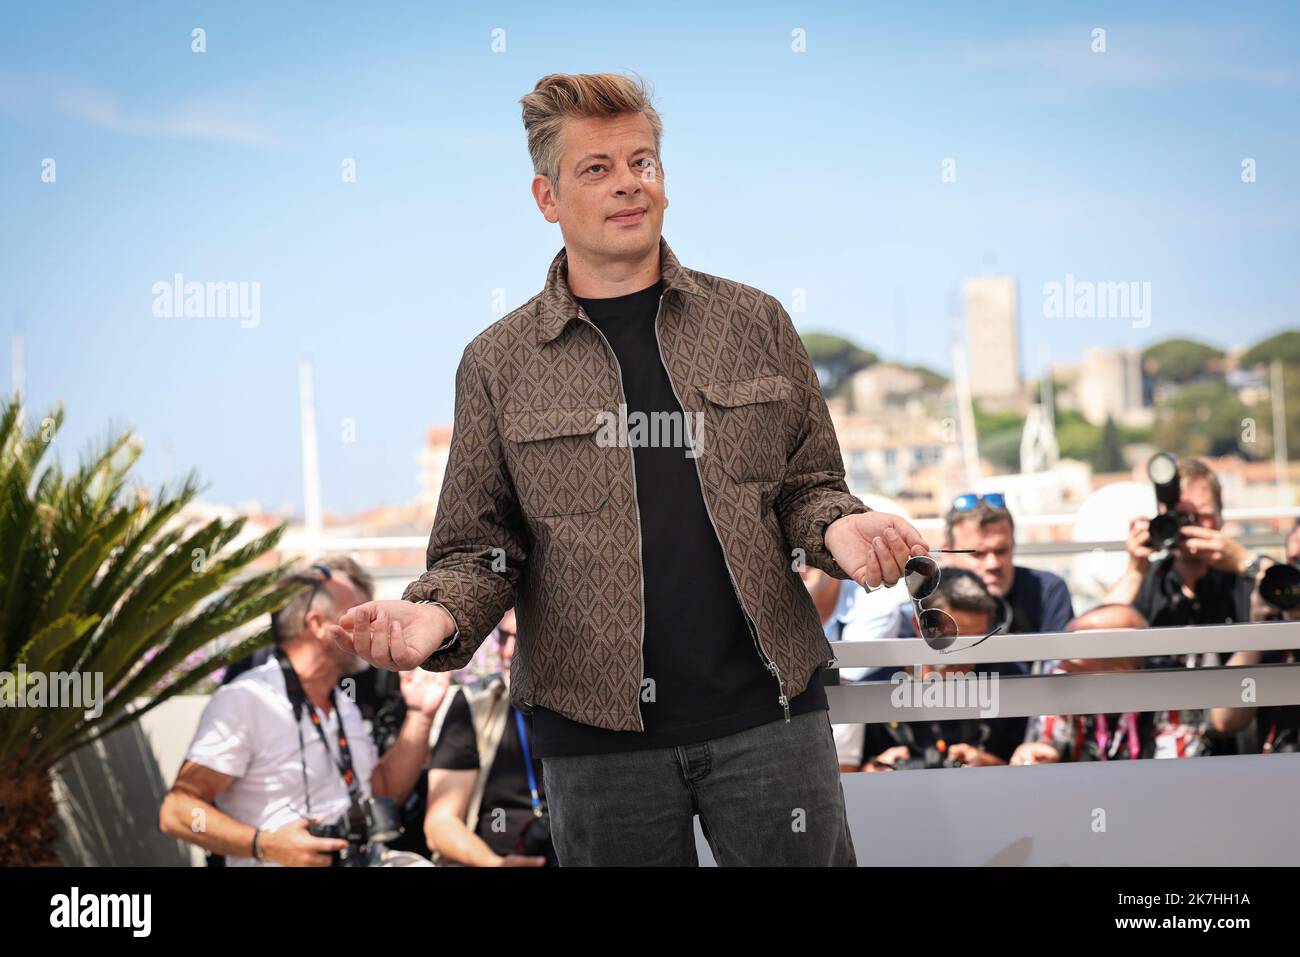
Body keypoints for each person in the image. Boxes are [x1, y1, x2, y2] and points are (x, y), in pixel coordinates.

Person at [328, 72, 933, 866]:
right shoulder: (497, 363)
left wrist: (841, 528)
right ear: (546, 197)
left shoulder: (754, 322)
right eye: (597, 168)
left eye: (642, 162)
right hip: (596, 743)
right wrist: (435, 618)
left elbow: (808, 487)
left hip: (768, 716)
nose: (628, 185)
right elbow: (480, 547)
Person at [159, 562, 450, 866]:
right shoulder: (247, 699)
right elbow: (176, 812)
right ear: (317, 625)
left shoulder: (341, 703)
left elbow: (384, 790)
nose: (371, 627)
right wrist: (265, 844)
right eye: (358, 613)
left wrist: (421, 713)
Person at [861, 569, 1027, 771]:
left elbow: (1030, 767)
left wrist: (993, 766)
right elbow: (845, 774)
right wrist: (872, 771)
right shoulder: (875, 689)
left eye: (977, 640)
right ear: (918, 627)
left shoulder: (1009, 681)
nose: (965, 653)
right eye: (951, 639)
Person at [423, 609, 554, 866]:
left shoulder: (590, 713)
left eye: (520, 638)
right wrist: (494, 863)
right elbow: (439, 824)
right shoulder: (474, 707)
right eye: (503, 637)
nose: (506, 652)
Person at [1010, 604, 1209, 764]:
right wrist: (1035, 754)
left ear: (1119, 672)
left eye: (1074, 666)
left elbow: (1172, 778)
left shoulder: (1167, 693)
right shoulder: (1063, 677)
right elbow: (1047, 742)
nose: (1061, 669)